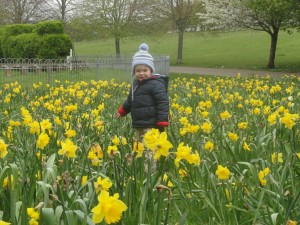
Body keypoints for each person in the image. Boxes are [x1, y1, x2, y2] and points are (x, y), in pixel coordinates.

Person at [116, 43, 169, 145]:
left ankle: (149, 161)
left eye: (145, 70)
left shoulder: (156, 84)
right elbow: (130, 100)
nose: (141, 73)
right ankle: (141, 160)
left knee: (149, 148)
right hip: (139, 124)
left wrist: (162, 121)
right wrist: (123, 111)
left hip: (152, 125)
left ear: (151, 71)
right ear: (134, 72)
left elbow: (163, 102)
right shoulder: (135, 84)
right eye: (138, 71)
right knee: (139, 147)